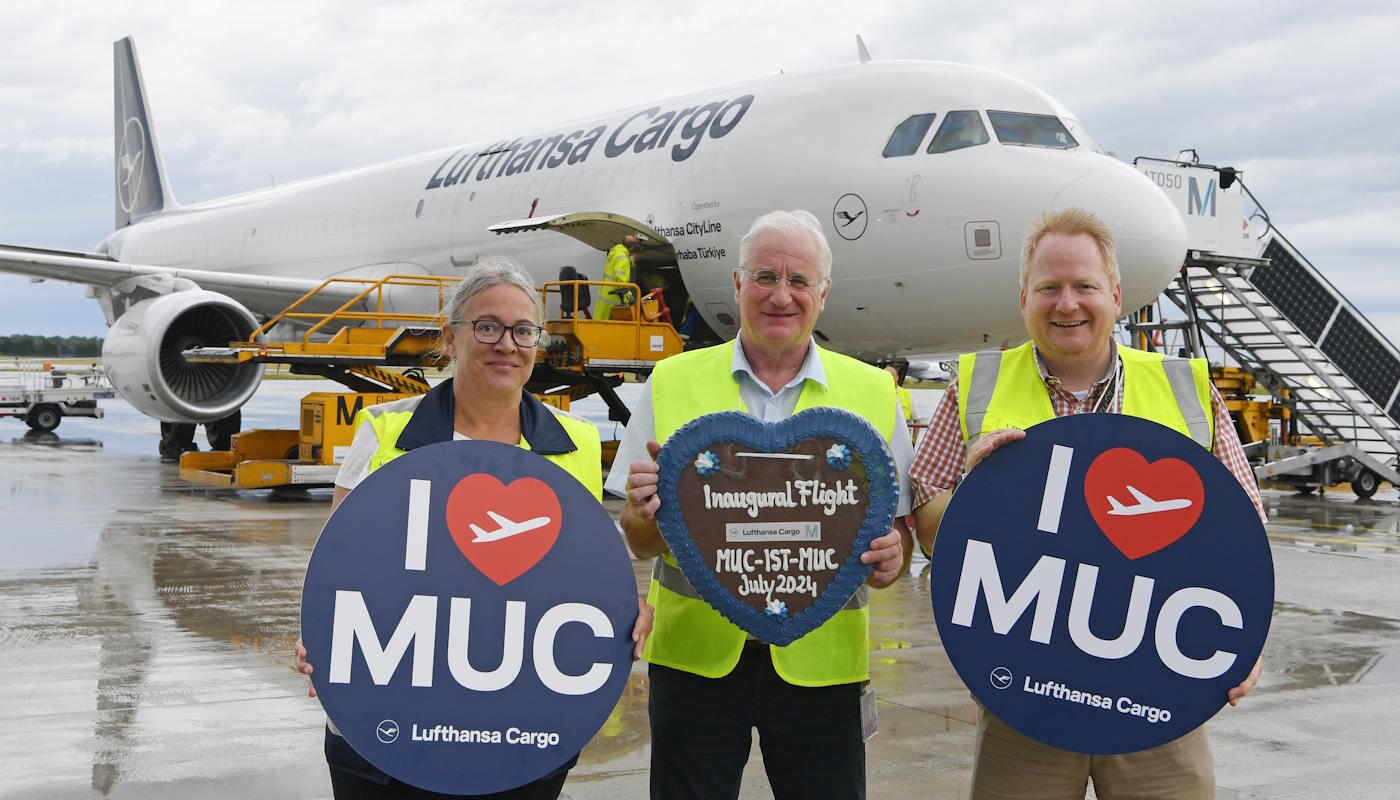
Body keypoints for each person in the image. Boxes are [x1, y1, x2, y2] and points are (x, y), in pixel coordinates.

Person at [908, 207, 1266, 800]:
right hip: (1026, 699)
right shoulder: (975, 387)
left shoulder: (1185, 387)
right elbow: (927, 531)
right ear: (1024, 297)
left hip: (1159, 699)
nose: (1067, 303)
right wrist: (977, 493)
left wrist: (1246, 639)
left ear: (1116, 296)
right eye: (1049, 287)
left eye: (1085, 286)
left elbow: (1243, 533)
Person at [295, 258, 653, 800]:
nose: (506, 344)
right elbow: (339, 563)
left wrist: (623, 609)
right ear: (451, 337)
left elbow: (582, 571)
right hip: (389, 716)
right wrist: (319, 627)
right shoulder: (386, 430)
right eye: (487, 327)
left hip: (518, 725)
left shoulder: (576, 442)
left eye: (523, 330)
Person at [607, 210, 914, 800]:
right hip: (696, 661)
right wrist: (645, 517)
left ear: (823, 293)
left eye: (799, 281)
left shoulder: (873, 392)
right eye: (765, 277)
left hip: (821, 664)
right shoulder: (671, 381)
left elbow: (893, 540)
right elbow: (639, 541)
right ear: (738, 283)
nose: (781, 295)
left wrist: (891, 562)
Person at [595, 234, 638, 320]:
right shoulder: (623, 258)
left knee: (600, 319)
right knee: (608, 323)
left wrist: (631, 260)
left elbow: (618, 265)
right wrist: (628, 296)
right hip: (614, 297)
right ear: (632, 247)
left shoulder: (616, 252)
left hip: (606, 293)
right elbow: (621, 278)